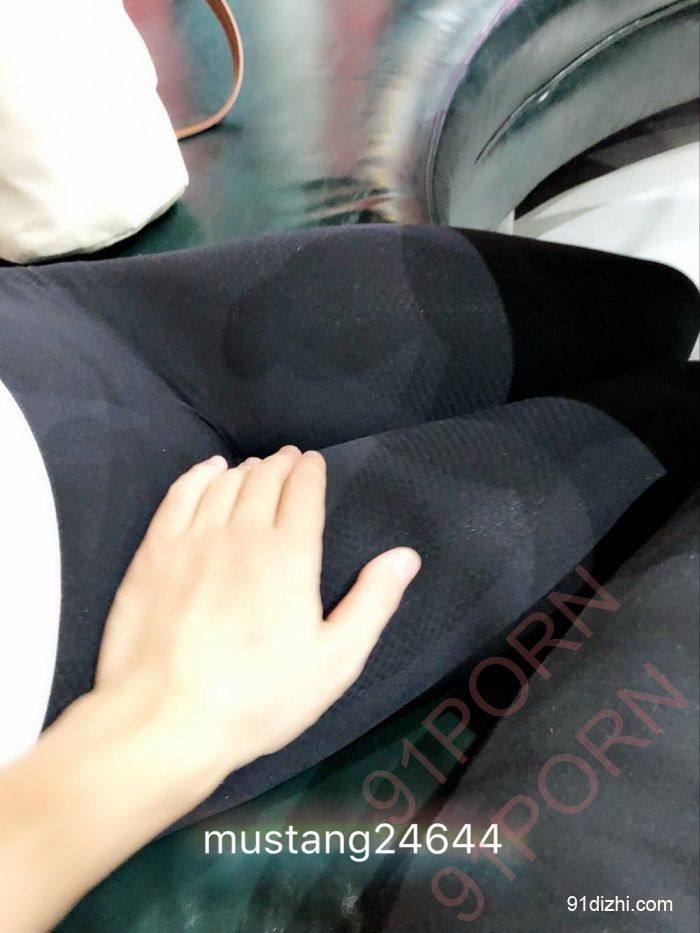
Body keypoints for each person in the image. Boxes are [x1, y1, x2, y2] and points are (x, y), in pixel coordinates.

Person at [0, 224, 698, 930]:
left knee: (652, 306)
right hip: (65, 641)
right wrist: (158, 723)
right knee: (665, 429)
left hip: (49, 351)